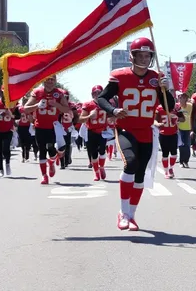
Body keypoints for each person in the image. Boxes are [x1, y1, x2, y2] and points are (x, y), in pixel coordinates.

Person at [96, 37, 174, 231]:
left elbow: (169, 107)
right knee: (130, 163)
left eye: (148, 55)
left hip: (146, 131)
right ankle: (122, 213)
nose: (145, 58)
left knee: (140, 175)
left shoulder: (156, 77)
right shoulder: (120, 76)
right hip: (126, 129)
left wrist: (166, 90)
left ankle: (131, 215)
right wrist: (113, 111)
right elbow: (102, 98)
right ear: (132, 56)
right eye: (141, 54)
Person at [23, 75, 71, 184]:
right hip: (39, 126)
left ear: (55, 81)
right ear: (43, 80)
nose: (50, 81)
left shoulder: (59, 93)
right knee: (42, 151)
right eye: (47, 79)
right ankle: (44, 176)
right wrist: (37, 105)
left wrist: (57, 104)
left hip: (53, 126)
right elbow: (26, 108)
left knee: (51, 147)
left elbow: (66, 109)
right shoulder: (37, 92)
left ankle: (52, 161)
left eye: (52, 79)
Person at [79, 85, 109, 181]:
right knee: (94, 154)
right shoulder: (88, 105)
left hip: (103, 131)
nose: (97, 95)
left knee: (103, 151)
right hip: (91, 131)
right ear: (92, 95)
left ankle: (102, 167)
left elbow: (113, 116)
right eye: (95, 93)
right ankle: (96, 173)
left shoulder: (107, 103)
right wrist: (89, 117)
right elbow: (80, 119)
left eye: (99, 92)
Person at [0, 86, 20, 176]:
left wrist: (11, 114)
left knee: (6, 148)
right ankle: (0, 170)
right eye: (4, 92)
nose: (5, 95)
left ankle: (7, 163)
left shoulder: (14, 103)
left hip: (8, 129)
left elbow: (18, 116)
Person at [155, 102, 184, 179]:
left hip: (173, 133)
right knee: (165, 154)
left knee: (174, 153)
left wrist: (176, 119)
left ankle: (171, 168)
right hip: (163, 134)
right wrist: (158, 124)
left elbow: (183, 118)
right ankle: (166, 171)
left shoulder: (176, 108)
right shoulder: (159, 108)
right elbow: (155, 120)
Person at [59, 91, 77, 169]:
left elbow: (76, 116)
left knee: (67, 144)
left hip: (68, 127)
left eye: (66, 97)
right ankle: (62, 162)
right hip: (60, 127)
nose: (64, 98)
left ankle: (66, 160)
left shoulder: (72, 106)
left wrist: (73, 125)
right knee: (60, 145)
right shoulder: (57, 104)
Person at [176, 92, 193, 168]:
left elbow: (193, 117)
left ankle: (186, 161)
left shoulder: (190, 106)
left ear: (186, 99)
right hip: (179, 128)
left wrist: (193, 130)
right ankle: (181, 161)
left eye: (183, 98)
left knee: (187, 145)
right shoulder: (177, 107)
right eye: (180, 98)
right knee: (181, 145)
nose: (182, 99)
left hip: (188, 128)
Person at [16, 98, 35, 162]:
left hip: (28, 127)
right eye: (24, 101)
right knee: (22, 142)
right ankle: (23, 157)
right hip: (21, 127)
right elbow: (16, 115)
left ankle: (27, 156)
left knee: (28, 142)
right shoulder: (19, 108)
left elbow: (32, 117)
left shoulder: (30, 108)